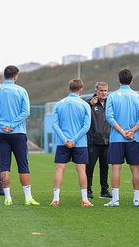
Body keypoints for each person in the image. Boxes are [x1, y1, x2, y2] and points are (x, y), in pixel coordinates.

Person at [0, 65, 39, 206]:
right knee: (23, 164)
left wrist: (2, 125)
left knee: (4, 165)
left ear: (4, 76)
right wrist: (12, 125)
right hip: (18, 132)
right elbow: (25, 112)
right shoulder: (21, 91)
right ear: (16, 76)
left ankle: (7, 198)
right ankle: (28, 197)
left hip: (2, 133)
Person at [104, 69, 139, 207]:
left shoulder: (112, 96)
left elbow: (109, 117)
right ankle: (136, 200)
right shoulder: (138, 97)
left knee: (116, 168)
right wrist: (132, 130)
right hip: (132, 138)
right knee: (135, 168)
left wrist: (122, 131)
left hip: (117, 138)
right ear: (132, 81)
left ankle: (115, 200)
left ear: (119, 81)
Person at [50, 79, 92, 207]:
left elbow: (55, 125)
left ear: (68, 89)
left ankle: (56, 199)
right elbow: (86, 126)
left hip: (63, 143)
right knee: (81, 170)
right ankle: (85, 200)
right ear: (81, 90)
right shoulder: (85, 104)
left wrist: (65, 140)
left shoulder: (59, 104)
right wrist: (74, 140)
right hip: (80, 143)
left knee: (59, 169)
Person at [85, 82, 112, 199]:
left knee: (105, 167)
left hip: (107, 141)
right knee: (89, 167)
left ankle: (104, 191)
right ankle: (88, 190)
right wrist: (89, 104)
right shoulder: (89, 103)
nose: (104, 93)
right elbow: (81, 111)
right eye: (101, 91)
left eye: (105, 90)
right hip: (93, 142)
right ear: (96, 91)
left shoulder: (110, 103)